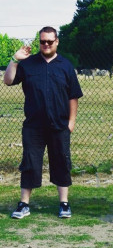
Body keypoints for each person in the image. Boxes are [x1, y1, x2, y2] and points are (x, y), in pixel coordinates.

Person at [3, 26, 83, 219]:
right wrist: (14, 60)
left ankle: (64, 204)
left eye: (49, 41)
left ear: (56, 42)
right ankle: (24, 205)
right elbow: (8, 80)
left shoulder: (65, 65)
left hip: (59, 125)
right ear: (39, 42)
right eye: (42, 41)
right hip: (33, 126)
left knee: (61, 162)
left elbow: (73, 96)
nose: (46, 44)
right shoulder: (28, 64)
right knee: (30, 163)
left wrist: (71, 122)